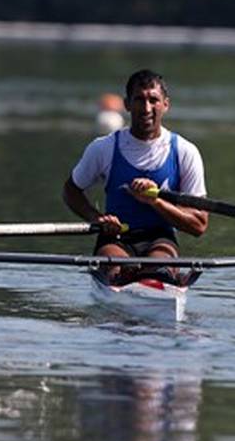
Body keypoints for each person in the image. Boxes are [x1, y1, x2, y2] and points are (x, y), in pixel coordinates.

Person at [62, 69, 208, 282]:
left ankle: (157, 279)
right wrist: (96, 218)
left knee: (158, 274)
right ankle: (120, 280)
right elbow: (70, 191)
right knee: (119, 272)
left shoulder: (185, 152)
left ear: (165, 105)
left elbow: (199, 226)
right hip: (115, 238)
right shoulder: (103, 148)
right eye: (139, 99)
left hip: (160, 239)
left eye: (153, 100)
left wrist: (155, 202)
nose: (146, 108)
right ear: (127, 104)